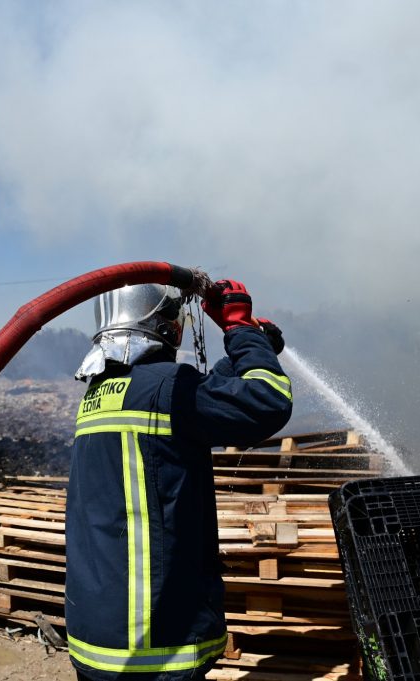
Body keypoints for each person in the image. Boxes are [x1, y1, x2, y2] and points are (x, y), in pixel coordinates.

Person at [66, 278, 292, 681]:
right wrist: (240, 330)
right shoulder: (164, 390)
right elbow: (267, 401)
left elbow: (195, 398)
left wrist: (256, 350)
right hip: (153, 641)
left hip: (99, 634)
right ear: (167, 327)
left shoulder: (102, 392)